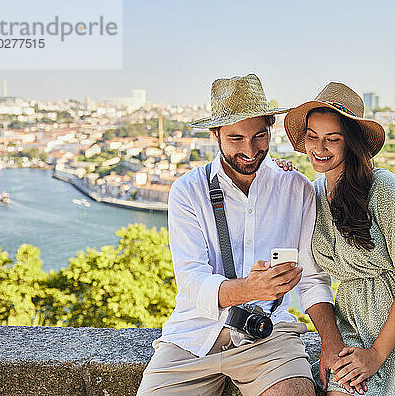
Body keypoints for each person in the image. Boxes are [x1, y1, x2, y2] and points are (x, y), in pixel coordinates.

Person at [136, 74, 338, 396]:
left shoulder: (296, 188)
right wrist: (249, 289)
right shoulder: (188, 191)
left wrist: (331, 344)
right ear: (215, 134)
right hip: (194, 334)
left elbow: (313, 280)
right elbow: (190, 280)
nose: (250, 150)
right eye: (235, 139)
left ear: (271, 128)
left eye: (259, 136)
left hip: (269, 335)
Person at [283, 82, 395, 395]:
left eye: (332, 139)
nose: (319, 148)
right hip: (354, 327)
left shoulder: (383, 187)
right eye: (312, 137)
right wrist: (277, 174)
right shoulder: (312, 195)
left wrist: (376, 355)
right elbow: (311, 278)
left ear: (351, 143)